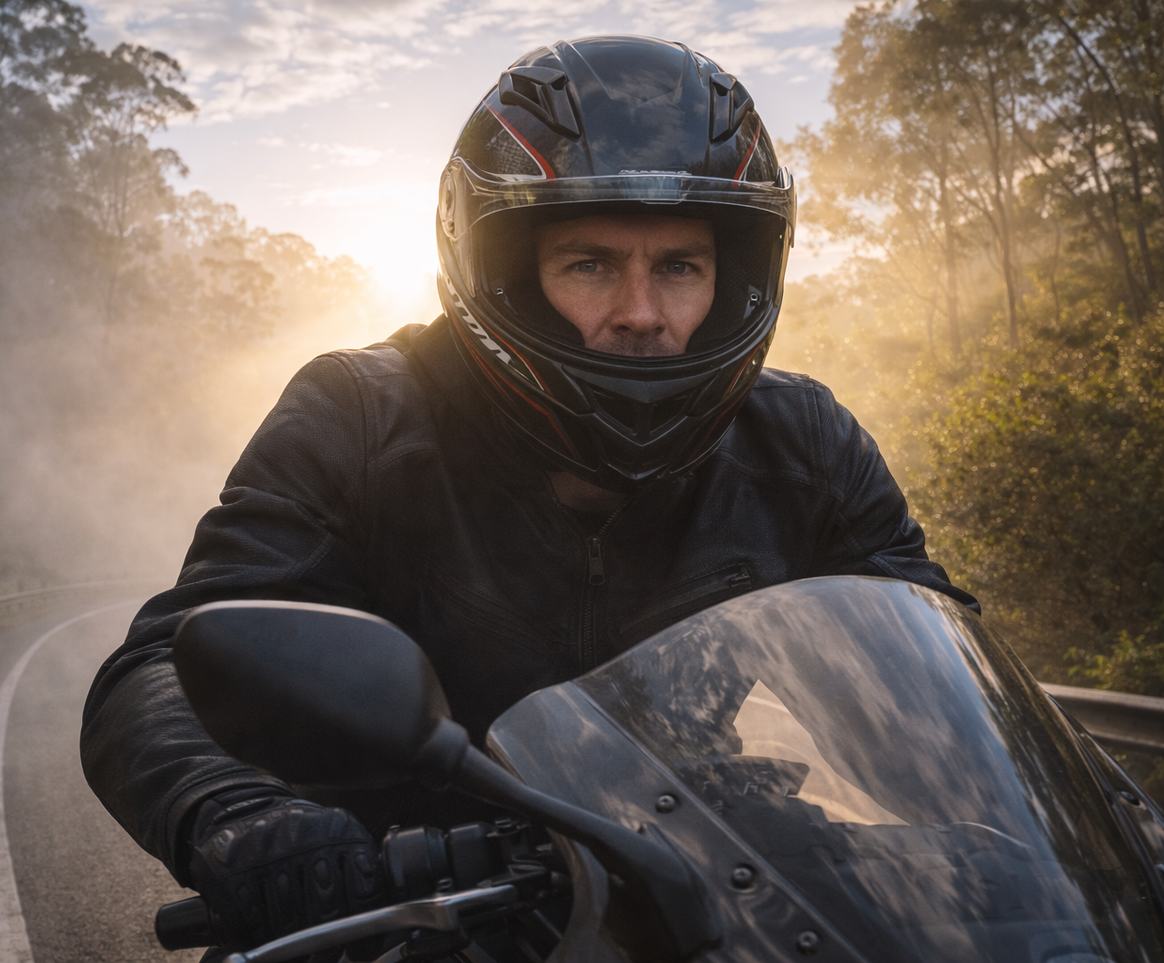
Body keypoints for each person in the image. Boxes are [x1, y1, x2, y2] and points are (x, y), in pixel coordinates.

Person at [81, 35, 978, 953]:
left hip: (711, 898)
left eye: (679, 266)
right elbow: (166, 667)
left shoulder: (805, 442)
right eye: (590, 263)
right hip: (403, 897)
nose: (639, 310)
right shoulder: (359, 414)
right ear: (507, 275)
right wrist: (251, 824)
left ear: (733, 278)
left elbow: (939, 692)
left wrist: (1083, 832)